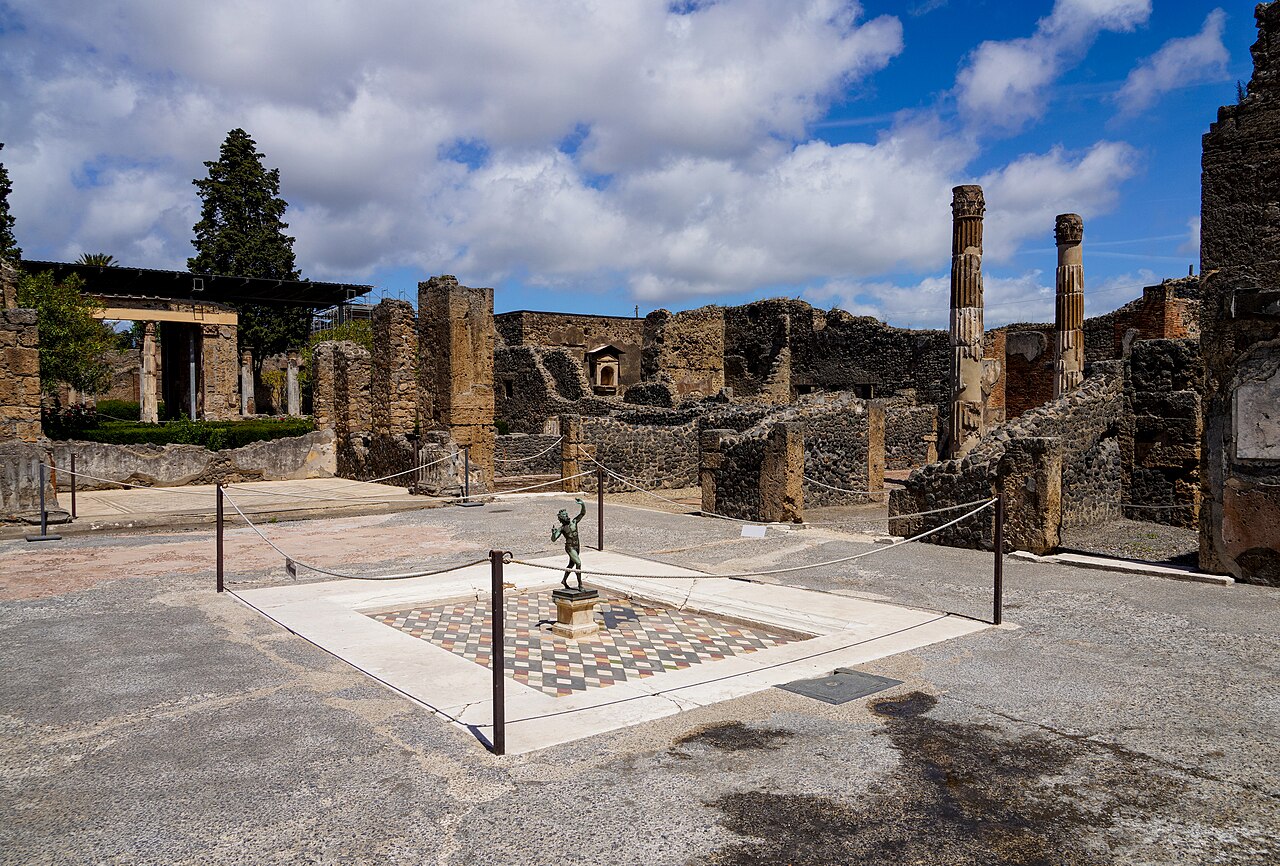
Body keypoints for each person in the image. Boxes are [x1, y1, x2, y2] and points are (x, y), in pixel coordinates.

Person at [552, 498, 587, 590]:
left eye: (566, 514)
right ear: (561, 518)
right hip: (570, 547)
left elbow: (582, 513)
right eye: (564, 515)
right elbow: (554, 539)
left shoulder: (574, 522)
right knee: (578, 563)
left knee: (571, 565)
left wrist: (582, 504)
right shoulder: (562, 528)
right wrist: (553, 533)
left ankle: (564, 580)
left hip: (577, 546)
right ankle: (580, 584)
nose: (567, 516)